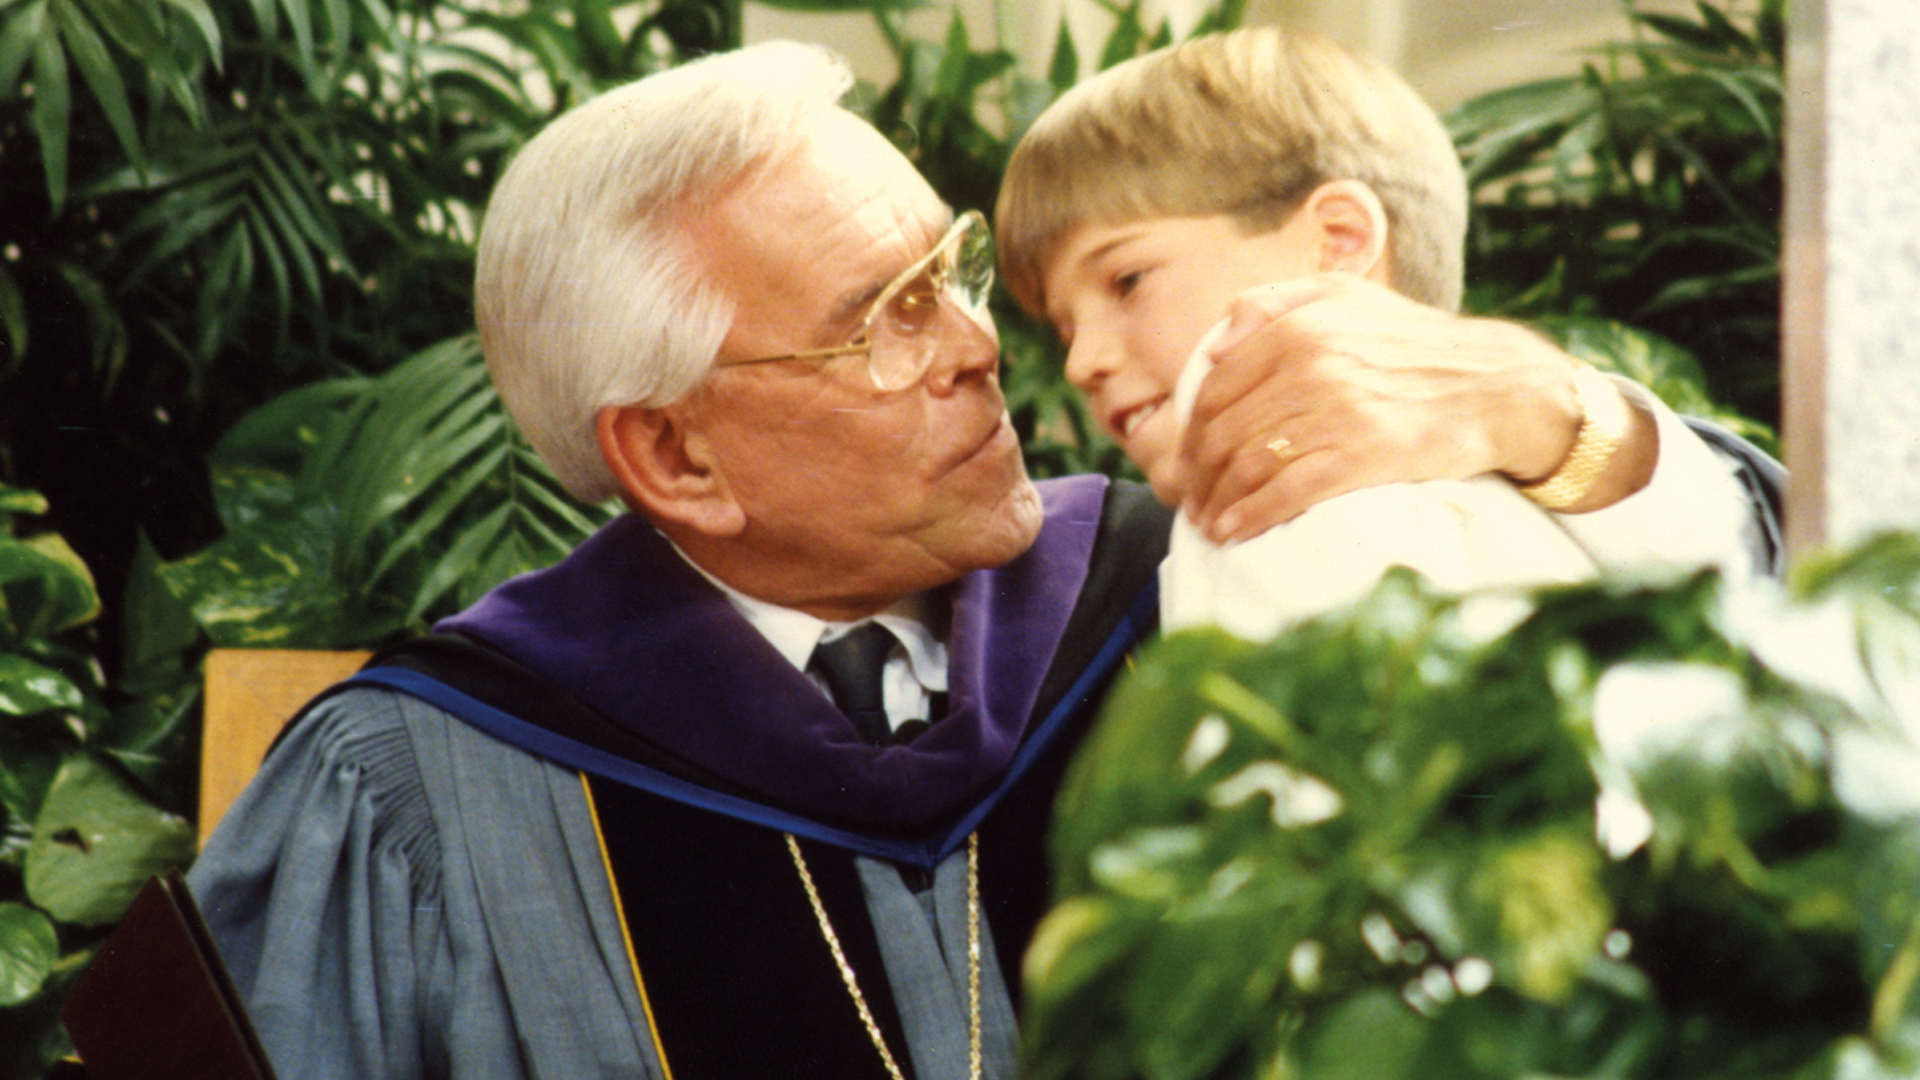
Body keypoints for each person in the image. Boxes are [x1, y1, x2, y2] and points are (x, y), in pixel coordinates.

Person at [182, 38, 1781, 1080]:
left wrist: (1555, 417)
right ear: (674, 457)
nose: (985, 351)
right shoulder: (425, 795)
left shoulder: (1213, 566)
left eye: (945, 271)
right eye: (881, 322)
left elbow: (1801, 646)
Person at [995, 26, 1772, 640]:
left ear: (1336, 243)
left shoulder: (1302, 524)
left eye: (1127, 280)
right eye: (1064, 325)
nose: (1081, 362)